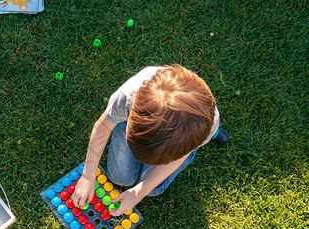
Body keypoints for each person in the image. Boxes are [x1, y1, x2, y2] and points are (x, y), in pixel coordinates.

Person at [71, 65, 228, 216]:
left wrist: (140, 193)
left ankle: (209, 137)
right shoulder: (126, 98)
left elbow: (180, 156)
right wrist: (88, 175)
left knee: (153, 189)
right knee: (119, 178)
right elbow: (102, 127)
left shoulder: (207, 125)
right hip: (134, 114)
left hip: (194, 135)